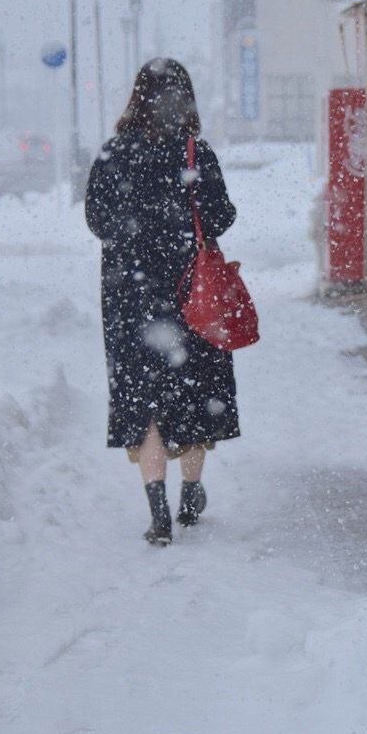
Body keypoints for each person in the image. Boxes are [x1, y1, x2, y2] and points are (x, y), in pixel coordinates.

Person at [84, 58, 239, 546]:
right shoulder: (195, 152)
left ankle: (158, 508)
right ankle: (191, 492)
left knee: (143, 400)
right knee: (194, 392)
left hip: (130, 297)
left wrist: (135, 238)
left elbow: (97, 221)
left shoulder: (114, 153)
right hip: (191, 292)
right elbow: (222, 216)